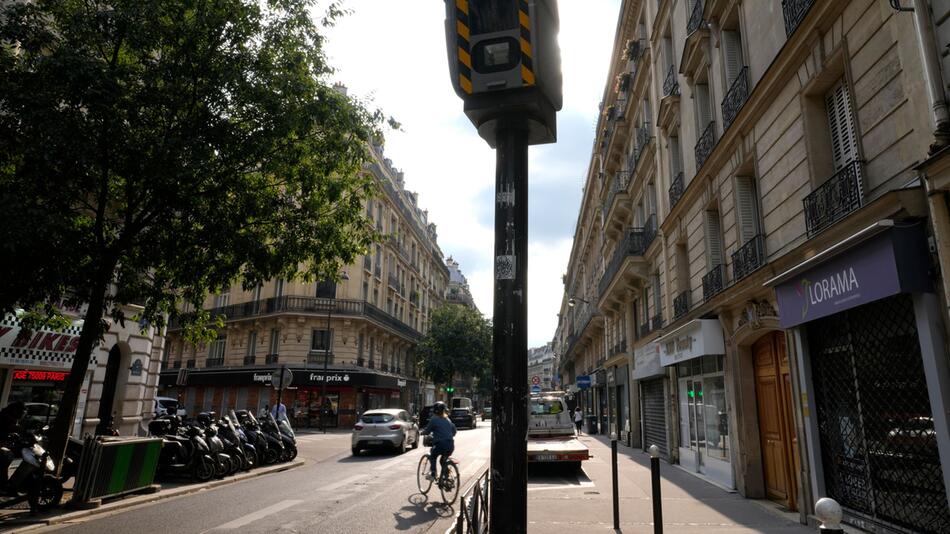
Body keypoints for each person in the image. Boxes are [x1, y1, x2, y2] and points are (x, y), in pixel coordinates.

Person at [420, 401, 456, 481]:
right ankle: (447, 477)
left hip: (440, 445)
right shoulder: (448, 419)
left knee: (433, 456)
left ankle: (433, 474)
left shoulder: (434, 419)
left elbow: (427, 431)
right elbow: (454, 431)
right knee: (442, 461)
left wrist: (422, 432)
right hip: (450, 445)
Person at [0, 402, 26, 489]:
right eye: (22, 412)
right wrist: (24, 432)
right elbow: (13, 428)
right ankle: (3, 483)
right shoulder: (5, 417)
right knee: (6, 456)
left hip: (3, 441)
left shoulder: (10, 416)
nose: (23, 414)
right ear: (16, 410)